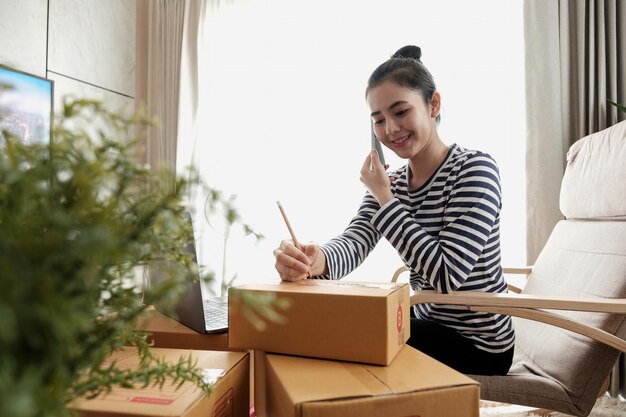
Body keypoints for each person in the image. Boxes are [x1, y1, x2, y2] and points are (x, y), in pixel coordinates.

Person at [272, 45, 514, 376]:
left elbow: (446, 276)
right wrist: (313, 261)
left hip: (478, 343)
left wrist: (386, 199)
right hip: (427, 321)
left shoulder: (475, 170)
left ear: (434, 104)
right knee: (328, 319)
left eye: (401, 112)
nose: (390, 130)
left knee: (337, 338)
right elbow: (354, 242)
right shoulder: (392, 182)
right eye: (379, 120)